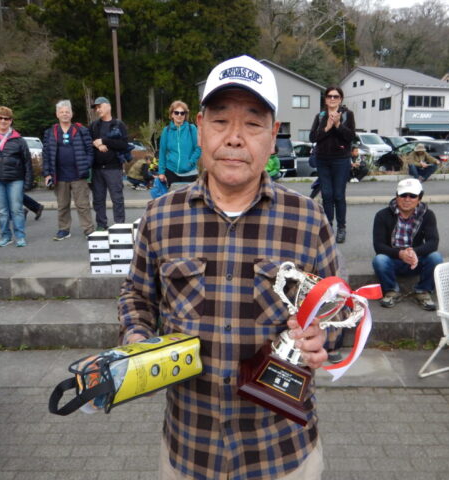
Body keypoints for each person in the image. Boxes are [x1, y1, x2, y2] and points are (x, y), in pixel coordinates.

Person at [118, 55, 337, 480]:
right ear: (200, 128)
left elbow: (337, 313)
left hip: (282, 453)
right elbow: (137, 296)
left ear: (273, 136)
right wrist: (137, 339)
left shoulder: (308, 219)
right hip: (189, 450)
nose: (235, 138)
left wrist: (324, 338)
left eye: (253, 124)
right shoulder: (160, 216)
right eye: (220, 121)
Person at [372, 178, 442, 310]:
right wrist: (400, 254)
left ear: (419, 198)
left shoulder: (428, 215)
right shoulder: (382, 215)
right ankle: (391, 291)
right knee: (379, 260)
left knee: (436, 257)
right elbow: (378, 245)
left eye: (412, 196)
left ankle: (423, 291)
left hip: (416, 260)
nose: (407, 199)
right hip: (393, 260)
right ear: (397, 196)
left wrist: (414, 252)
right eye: (403, 195)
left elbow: (433, 242)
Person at [0, 106, 33, 247]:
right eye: (0, 118)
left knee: (16, 209)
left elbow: (27, 162)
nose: (3, 121)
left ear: (11, 120)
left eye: (6, 119)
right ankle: (5, 236)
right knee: (1, 211)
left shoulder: (19, 140)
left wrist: (28, 182)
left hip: (16, 179)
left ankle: (20, 236)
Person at [42, 99, 94, 241]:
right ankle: (64, 230)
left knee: (83, 205)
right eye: (62, 112)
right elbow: (46, 154)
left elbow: (90, 150)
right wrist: (47, 173)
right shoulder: (50, 132)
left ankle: (89, 230)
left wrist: (86, 165)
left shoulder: (81, 130)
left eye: (67, 111)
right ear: (57, 114)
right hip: (59, 175)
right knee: (62, 205)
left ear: (72, 114)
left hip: (78, 174)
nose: (65, 114)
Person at [309, 86, 356, 243]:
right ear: (325, 99)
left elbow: (350, 136)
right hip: (322, 160)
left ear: (341, 99)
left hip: (341, 160)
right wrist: (327, 127)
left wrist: (337, 125)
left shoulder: (347, 115)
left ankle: (341, 227)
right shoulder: (320, 116)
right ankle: (328, 227)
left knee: (338, 195)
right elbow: (313, 137)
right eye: (329, 96)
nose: (332, 99)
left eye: (336, 96)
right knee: (327, 195)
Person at [89, 96, 130, 230]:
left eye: (99, 106)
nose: (97, 110)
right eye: (96, 108)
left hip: (114, 168)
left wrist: (104, 141)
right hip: (96, 168)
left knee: (117, 198)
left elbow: (124, 145)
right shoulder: (94, 125)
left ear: (108, 106)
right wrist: (96, 144)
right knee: (98, 199)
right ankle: (101, 225)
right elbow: (87, 142)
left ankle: (119, 225)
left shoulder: (119, 124)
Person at [158, 100, 201, 187]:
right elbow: (162, 152)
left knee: (189, 196)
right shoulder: (166, 131)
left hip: (190, 173)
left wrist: (190, 162)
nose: (179, 115)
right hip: (171, 172)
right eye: (176, 112)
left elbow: (198, 148)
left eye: (182, 113)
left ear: (185, 115)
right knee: (173, 196)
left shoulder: (192, 128)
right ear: (172, 114)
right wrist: (161, 172)